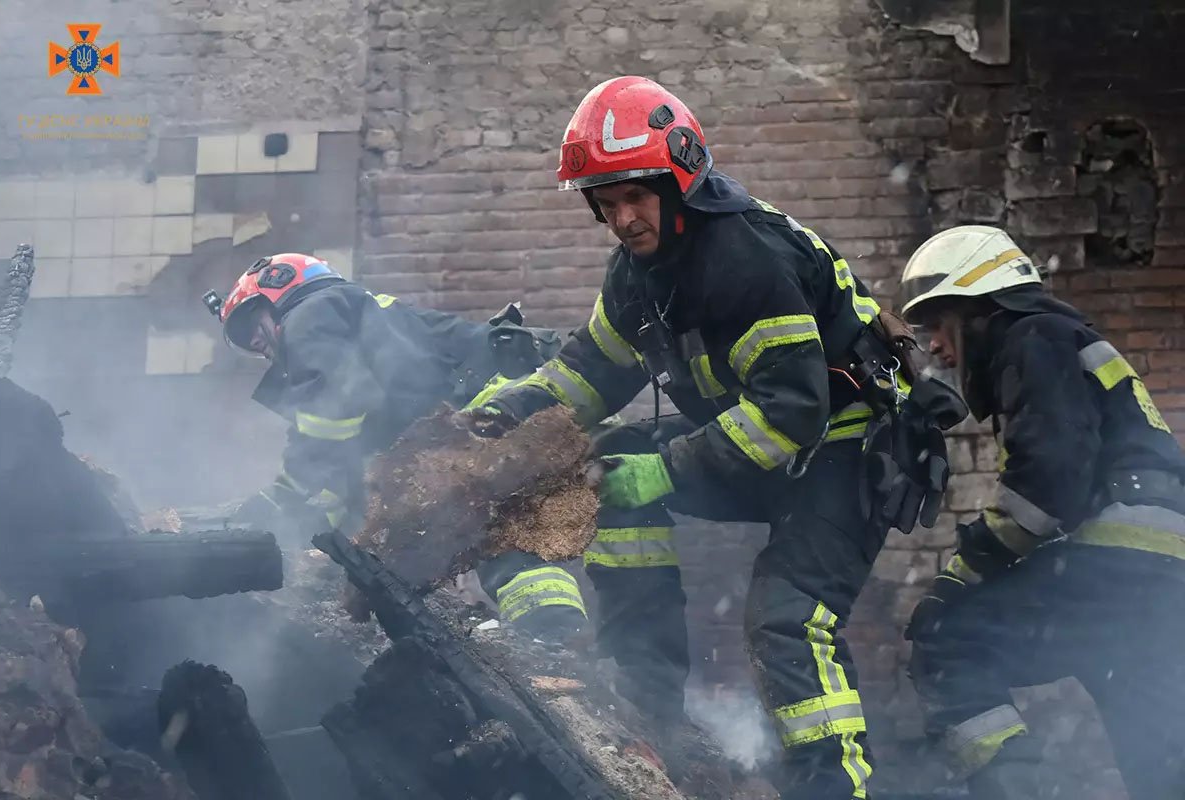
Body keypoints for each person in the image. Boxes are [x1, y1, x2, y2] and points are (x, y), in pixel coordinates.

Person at [463, 76, 960, 800]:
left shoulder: (744, 258)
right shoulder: (638, 275)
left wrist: (668, 470)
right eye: (605, 202)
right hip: (765, 446)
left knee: (789, 620)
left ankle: (836, 790)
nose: (623, 219)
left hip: (847, 445)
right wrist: (506, 413)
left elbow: (792, 410)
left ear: (681, 180)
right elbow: (589, 372)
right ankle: (647, 699)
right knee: (609, 465)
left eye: (636, 196)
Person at [899, 225, 1185, 800]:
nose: (934, 347)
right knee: (1160, 762)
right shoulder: (1063, 338)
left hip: (1115, 562)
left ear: (977, 309)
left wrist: (964, 572)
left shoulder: (1033, 337)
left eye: (938, 324)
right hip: (1160, 579)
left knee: (947, 639)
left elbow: (1048, 480)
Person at [202, 254, 588, 639]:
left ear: (281, 292)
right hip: (501, 400)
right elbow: (354, 475)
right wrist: (316, 528)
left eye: (250, 324)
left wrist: (285, 494)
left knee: (482, 523)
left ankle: (552, 635)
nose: (254, 342)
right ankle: (562, 638)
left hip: (490, 405)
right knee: (486, 523)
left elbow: (334, 408)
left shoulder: (311, 314)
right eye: (243, 340)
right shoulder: (353, 319)